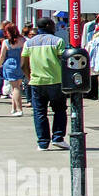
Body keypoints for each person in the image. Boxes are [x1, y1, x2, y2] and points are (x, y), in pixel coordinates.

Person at [21, 17, 66, 151]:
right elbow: (64, 60)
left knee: (39, 112)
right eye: (53, 24)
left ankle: (42, 142)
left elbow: (23, 64)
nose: (55, 26)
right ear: (47, 25)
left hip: (36, 82)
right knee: (59, 110)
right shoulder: (58, 41)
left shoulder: (29, 43)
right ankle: (58, 137)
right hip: (56, 81)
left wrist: (30, 77)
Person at [0, 22, 24, 117]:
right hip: (20, 64)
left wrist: (0, 64)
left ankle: (19, 109)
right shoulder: (22, 40)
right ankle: (14, 108)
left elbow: (2, 55)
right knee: (17, 87)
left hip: (9, 65)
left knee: (15, 88)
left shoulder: (6, 42)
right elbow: (24, 54)